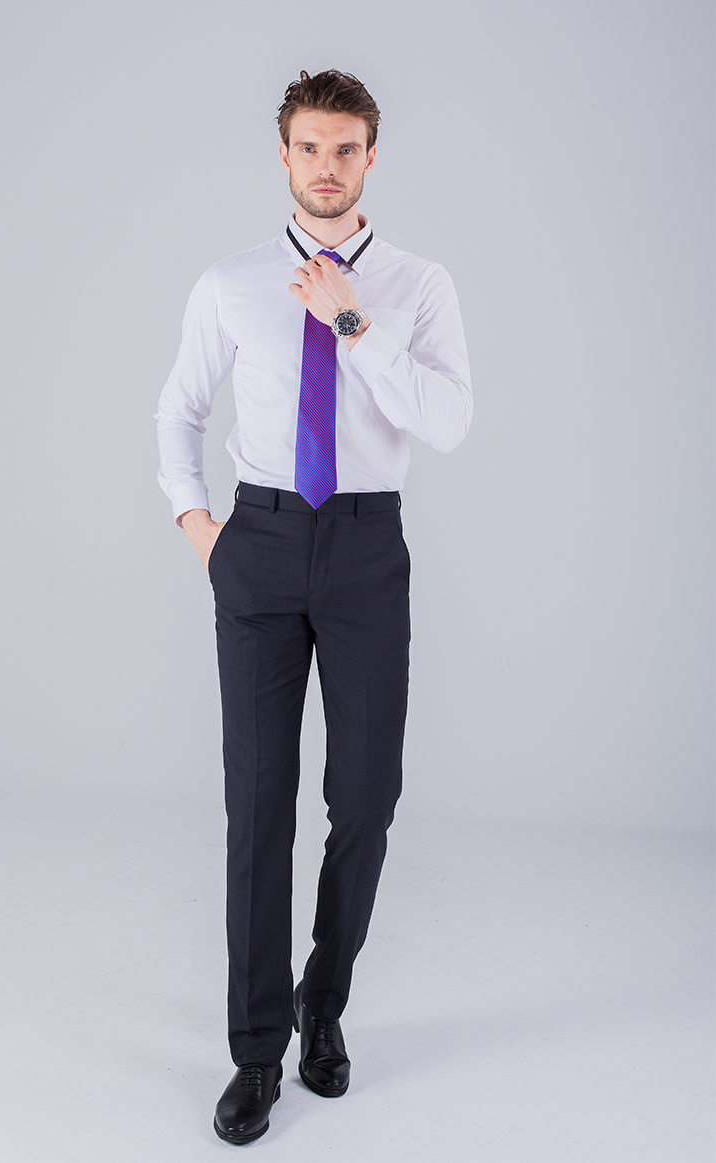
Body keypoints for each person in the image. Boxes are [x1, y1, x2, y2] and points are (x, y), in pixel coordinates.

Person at [156, 68, 472, 1145]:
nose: (326, 168)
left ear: (371, 157)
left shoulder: (418, 285)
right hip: (261, 539)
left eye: (345, 149)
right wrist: (199, 524)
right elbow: (177, 410)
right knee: (258, 806)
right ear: (283, 156)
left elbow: (448, 422)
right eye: (309, 148)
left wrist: (352, 323)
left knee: (367, 797)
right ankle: (256, 1050)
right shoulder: (231, 281)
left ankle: (320, 1004)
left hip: (366, 547)